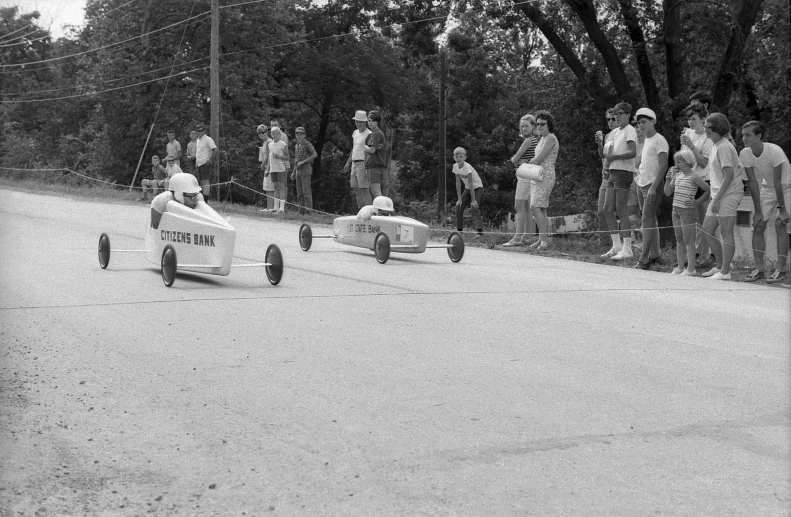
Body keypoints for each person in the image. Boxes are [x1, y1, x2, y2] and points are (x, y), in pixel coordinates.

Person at [740, 121, 791, 283]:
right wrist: (758, 211)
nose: (744, 138)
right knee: (759, 223)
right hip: (767, 188)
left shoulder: (775, 151)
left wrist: (782, 209)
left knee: (779, 223)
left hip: (786, 187)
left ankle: (781, 270)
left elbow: (779, 183)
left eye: (748, 135)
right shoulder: (745, 153)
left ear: (759, 136)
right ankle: (759, 269)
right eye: (743, 135)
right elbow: (752, 183)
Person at [700, 113, 746, 280]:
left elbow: (729, 175)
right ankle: (719, 265)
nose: (705, 130)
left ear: (718, 128)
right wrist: (715, 196)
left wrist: (717, 198)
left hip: (729, 193)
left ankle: (725, 271)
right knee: (707, 229)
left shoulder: (724, 147)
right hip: (718, 193)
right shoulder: (715, 145)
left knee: (726, 231)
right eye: (705, 127)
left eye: (708, 128)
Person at [632, 108, 669, 269]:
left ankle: (644, 258)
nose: (641, 126)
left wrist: (654, 187)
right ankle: (655, 254)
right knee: (649, 219)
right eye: (639, 123)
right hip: (642, 182)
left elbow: (663, 166)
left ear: (652, 121)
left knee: (647, 219)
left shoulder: (659, 140)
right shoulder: (646, 140)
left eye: (644, 122)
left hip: (653, 184)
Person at [665, 149, 710, 276]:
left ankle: (691, 268)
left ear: (688, 162)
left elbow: (707, 190)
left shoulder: (694, 176)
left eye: (679, 162)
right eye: (676, 162)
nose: (677, 165)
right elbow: (668, 192)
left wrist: (696, 202)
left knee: (688, 239)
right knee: (679, 238)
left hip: (687, 211)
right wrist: (668, 180)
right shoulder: (677, 176)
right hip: (676, 210)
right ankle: (680, 266)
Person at [601, 102, 637, 258]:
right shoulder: (615, 132)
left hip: (624, 171)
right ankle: (616, 245)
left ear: (628, 115)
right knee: (607, 208)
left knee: (621, 208)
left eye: (621, 113)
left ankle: (627, 248)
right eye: (616, 113)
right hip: (612, 171)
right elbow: (605, 154)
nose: (617, 116)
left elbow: (632, 152)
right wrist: (599, 145)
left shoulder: (630, 130)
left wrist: (615, 157)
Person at [680, 103, 714, 265]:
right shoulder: (688, 133)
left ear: (703, 119)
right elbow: (684, 159)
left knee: (703, 219)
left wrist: (691, 146)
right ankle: (690, 254)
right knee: (688, 218)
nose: (691, 122)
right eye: (688, 119)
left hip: (703, 180)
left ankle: (705, 254)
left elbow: (702, 163)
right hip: (688, 180)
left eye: (694, 119)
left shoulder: (707, 138)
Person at [503, 114, 538, 246]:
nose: (524, 129)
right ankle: (527, 237)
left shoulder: (528, 141)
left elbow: (514, 159)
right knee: (528, 207)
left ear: (533, 126)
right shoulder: (536, 140)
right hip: (531, 174)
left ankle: (517, 237)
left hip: (524, 175)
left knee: (519, 206)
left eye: (526, 126)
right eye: (522, 126)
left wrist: (516, 159)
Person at [528, 110, 559, 249]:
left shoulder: (551, 138)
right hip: (537, 174)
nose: (539, 126)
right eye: (537, 124)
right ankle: (542, 239)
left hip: (545, 175)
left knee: (534, 207)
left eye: (542, 124)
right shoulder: (542, 138)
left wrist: (528, 163)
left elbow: (540, 158)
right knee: (541, 208)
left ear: (549, 124)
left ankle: (545, 241)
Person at [595, 109, 618, 246]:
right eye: (608, 119)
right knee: (601, 210)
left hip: (617, 175)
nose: (610, 122)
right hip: (605, 176)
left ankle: (625, 242)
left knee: (620, 210)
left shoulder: (623, 134)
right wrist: (599, 144)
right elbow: (602, 155)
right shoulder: (608, 135)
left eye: (613, 119)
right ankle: (605, 242)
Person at [452, 146, 484, 236]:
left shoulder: (467, 167)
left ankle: (479, 232)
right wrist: (459, 199)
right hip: (467, 188)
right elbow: (458, 183)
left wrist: (473, 200)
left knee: (474, 208)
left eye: (461, 156)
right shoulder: (455, 167)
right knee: (458, 207)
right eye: (456, 156)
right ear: (454, 158)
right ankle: (459, 232)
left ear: (465, 157)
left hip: (477, 188)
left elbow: (471, 183)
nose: (459, 158)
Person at [344, 110, 372, 209]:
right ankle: (360, 210)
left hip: (362, 162)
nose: (358, 124)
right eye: (357, 121)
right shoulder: (355, 133)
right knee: (355, 187)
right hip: (354, 163)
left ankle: (369, 210)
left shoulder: (369, 134)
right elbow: (354, 148)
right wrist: (348, 162)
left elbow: (370, 150)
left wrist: (366, 165)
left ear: (365, 122)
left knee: (363, 187)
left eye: (361, 122)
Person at [291, 127, 318, 215]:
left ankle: (309, 211)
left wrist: (303, 162)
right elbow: (296, 159)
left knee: (306, 191)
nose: (299, 136)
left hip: (306, 168)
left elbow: (314, 154)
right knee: (299, 192)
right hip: (298, 169)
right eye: (297, 134)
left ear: (304, 135)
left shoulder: (307, 144)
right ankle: (301, 211)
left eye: (301, 134)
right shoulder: (296, 145)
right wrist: (293, 171)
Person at [364, 110, 387, 200]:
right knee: (373, 189)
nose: (370, 123)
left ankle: (382, 210)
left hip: (375, 165)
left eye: (372, 121)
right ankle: (380, 210)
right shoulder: (373, 134)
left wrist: (364, 147)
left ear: (377, 122)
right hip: (371, 165)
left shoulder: (377, 133)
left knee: (375, 190)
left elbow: (372, 150)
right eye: (369, 121)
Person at [268, 126, 290, 213]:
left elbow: (288, 157)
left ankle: (282, 208)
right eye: (273, 133)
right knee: (275, 188)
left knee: (281, 187)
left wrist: (279, 156)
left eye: (277, 133)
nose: (275, 135)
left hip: (280, 168)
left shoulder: (283, 144)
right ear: (271, 134)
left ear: (279, 134)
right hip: (273, 169)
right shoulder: (270, 144)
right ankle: (275, 207)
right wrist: (269, 169)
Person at [194, 123, 218, 201]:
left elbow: (215, 150)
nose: (199, 132)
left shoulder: (208, 139)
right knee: (200, 182)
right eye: (198, 131)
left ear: (204, 131)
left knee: (205, 181)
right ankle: (201, 198)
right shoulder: (197, 140)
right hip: (199, 163)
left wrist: (210, 160)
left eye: (201, 130)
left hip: (205, 163)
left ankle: (205, 200)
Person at [257, 125, 276, 212]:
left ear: (266, 132)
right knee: (267, 188)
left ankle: (271, 208)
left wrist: (264, 165)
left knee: (271, 188)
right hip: (266, 167)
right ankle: (269, 207)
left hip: (270, 167)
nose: (261, 134)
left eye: (263, 132)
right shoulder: (264, 143)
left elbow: (269, 156)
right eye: (259, 133)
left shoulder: (269, 142)